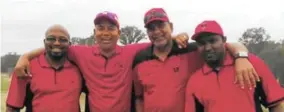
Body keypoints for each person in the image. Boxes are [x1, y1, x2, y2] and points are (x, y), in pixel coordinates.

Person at [14, 11, 257, 112]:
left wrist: (241, 55)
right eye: (100, 28)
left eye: (111, 28)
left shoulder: (135, 52)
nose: (105, 32)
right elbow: (57, 45)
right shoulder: (80, 52)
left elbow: (225, 45)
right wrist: (25, 56)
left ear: (119, 33)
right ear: (94, 32)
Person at [132, 8, 260, 112]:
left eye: (161, 25)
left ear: (170, 27)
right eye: (151, 28)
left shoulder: (192, 50)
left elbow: (225, 46)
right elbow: (139, 97)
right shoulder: (140, 59)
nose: (156, 32)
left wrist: (241, 57)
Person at [185, 20, 284, 112]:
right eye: (201, 43)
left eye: (212, 41)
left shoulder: (251, 63)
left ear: (224, 40)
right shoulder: (194, 81)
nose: (207, 48)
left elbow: (276, 104)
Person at [6, 25, 83, 112]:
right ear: (44, 42)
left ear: (69, 44)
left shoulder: (79, 68)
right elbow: (12, 108)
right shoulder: (25, 68)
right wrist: (25, 56)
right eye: (51, 39)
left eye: (62, 39)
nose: (57, 43)